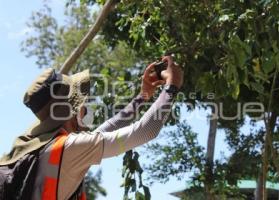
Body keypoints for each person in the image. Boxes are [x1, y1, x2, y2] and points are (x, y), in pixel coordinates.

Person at [0, 56, 183, 199]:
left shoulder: (41, 145)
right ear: (71, 111)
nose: (85, 107)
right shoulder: (70, 148)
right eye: (81, 104)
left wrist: (143, 96)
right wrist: (171, 87)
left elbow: (108, 129)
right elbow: (145, 131)